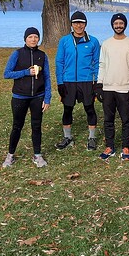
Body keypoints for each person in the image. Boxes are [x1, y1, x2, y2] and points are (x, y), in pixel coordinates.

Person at [2, 27, 52, 168]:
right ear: (25, 39)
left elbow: (47, 77)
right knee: (17, 126)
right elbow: (7, 74)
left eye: (36, 37)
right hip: (19, 97)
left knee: (36, 126)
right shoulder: (17, 54)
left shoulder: (42, 55)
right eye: (30, 37)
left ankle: (37, 155)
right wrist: (26, 72)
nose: (33, 39)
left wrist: (47, 98)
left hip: (38, 96)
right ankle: (10, 155)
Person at [54, 11, 101, 151]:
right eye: (76, 23)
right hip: (68, 81)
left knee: (89, 108)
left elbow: (97, 62)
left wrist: (97, 82)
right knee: (67, 109)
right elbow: (59, 62)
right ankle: (67, 137)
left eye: (81, 22)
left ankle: (91, 138)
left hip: (86, 81)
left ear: (85, 24)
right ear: (72, 24)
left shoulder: (93, 41)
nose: (78, 25)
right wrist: (60, 82)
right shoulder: (64, 41)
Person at [96, 13, 129, 161]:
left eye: (121, 23)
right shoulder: (106, 44)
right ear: (112, 25)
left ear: (125, 25)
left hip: (124, 88)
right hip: (108, 87)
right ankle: (110, 146)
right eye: (116, 23)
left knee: (126, 119)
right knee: (109, 119)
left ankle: (126, 146)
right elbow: (102, 65)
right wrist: (99, 84)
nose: (118, 26)